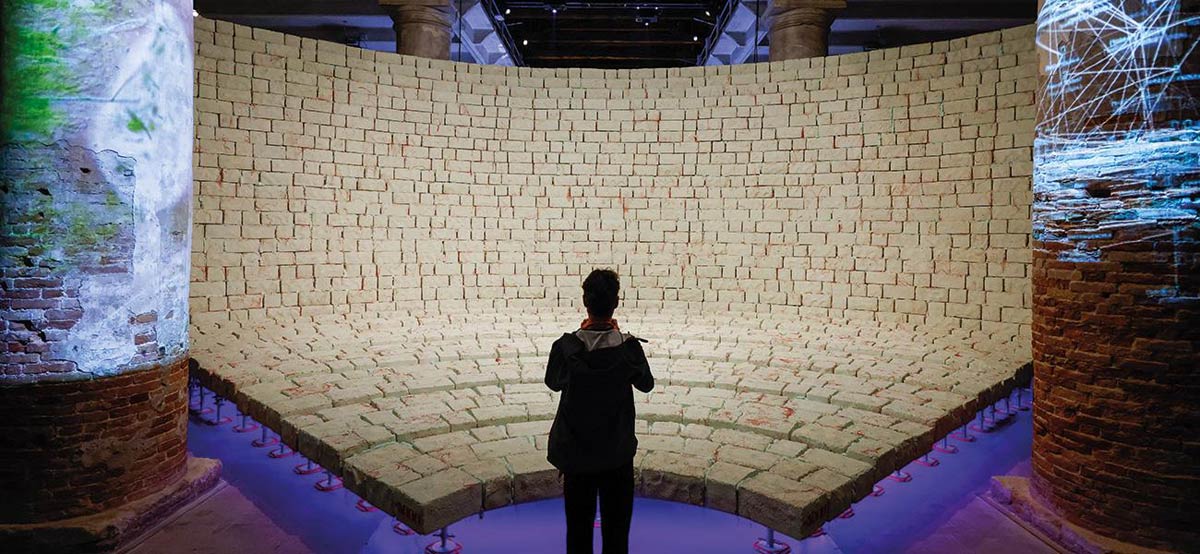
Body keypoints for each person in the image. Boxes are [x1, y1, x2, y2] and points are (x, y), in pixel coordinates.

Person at [545, 268, 655, 554]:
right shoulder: (629, 349)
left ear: (585, 302)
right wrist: (618, 336)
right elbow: (646, 384)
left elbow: (553, 382)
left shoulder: (565, 348)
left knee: (577, 535)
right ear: (616, 303)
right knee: (617, 537)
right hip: (616, 456)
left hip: (577, 457)